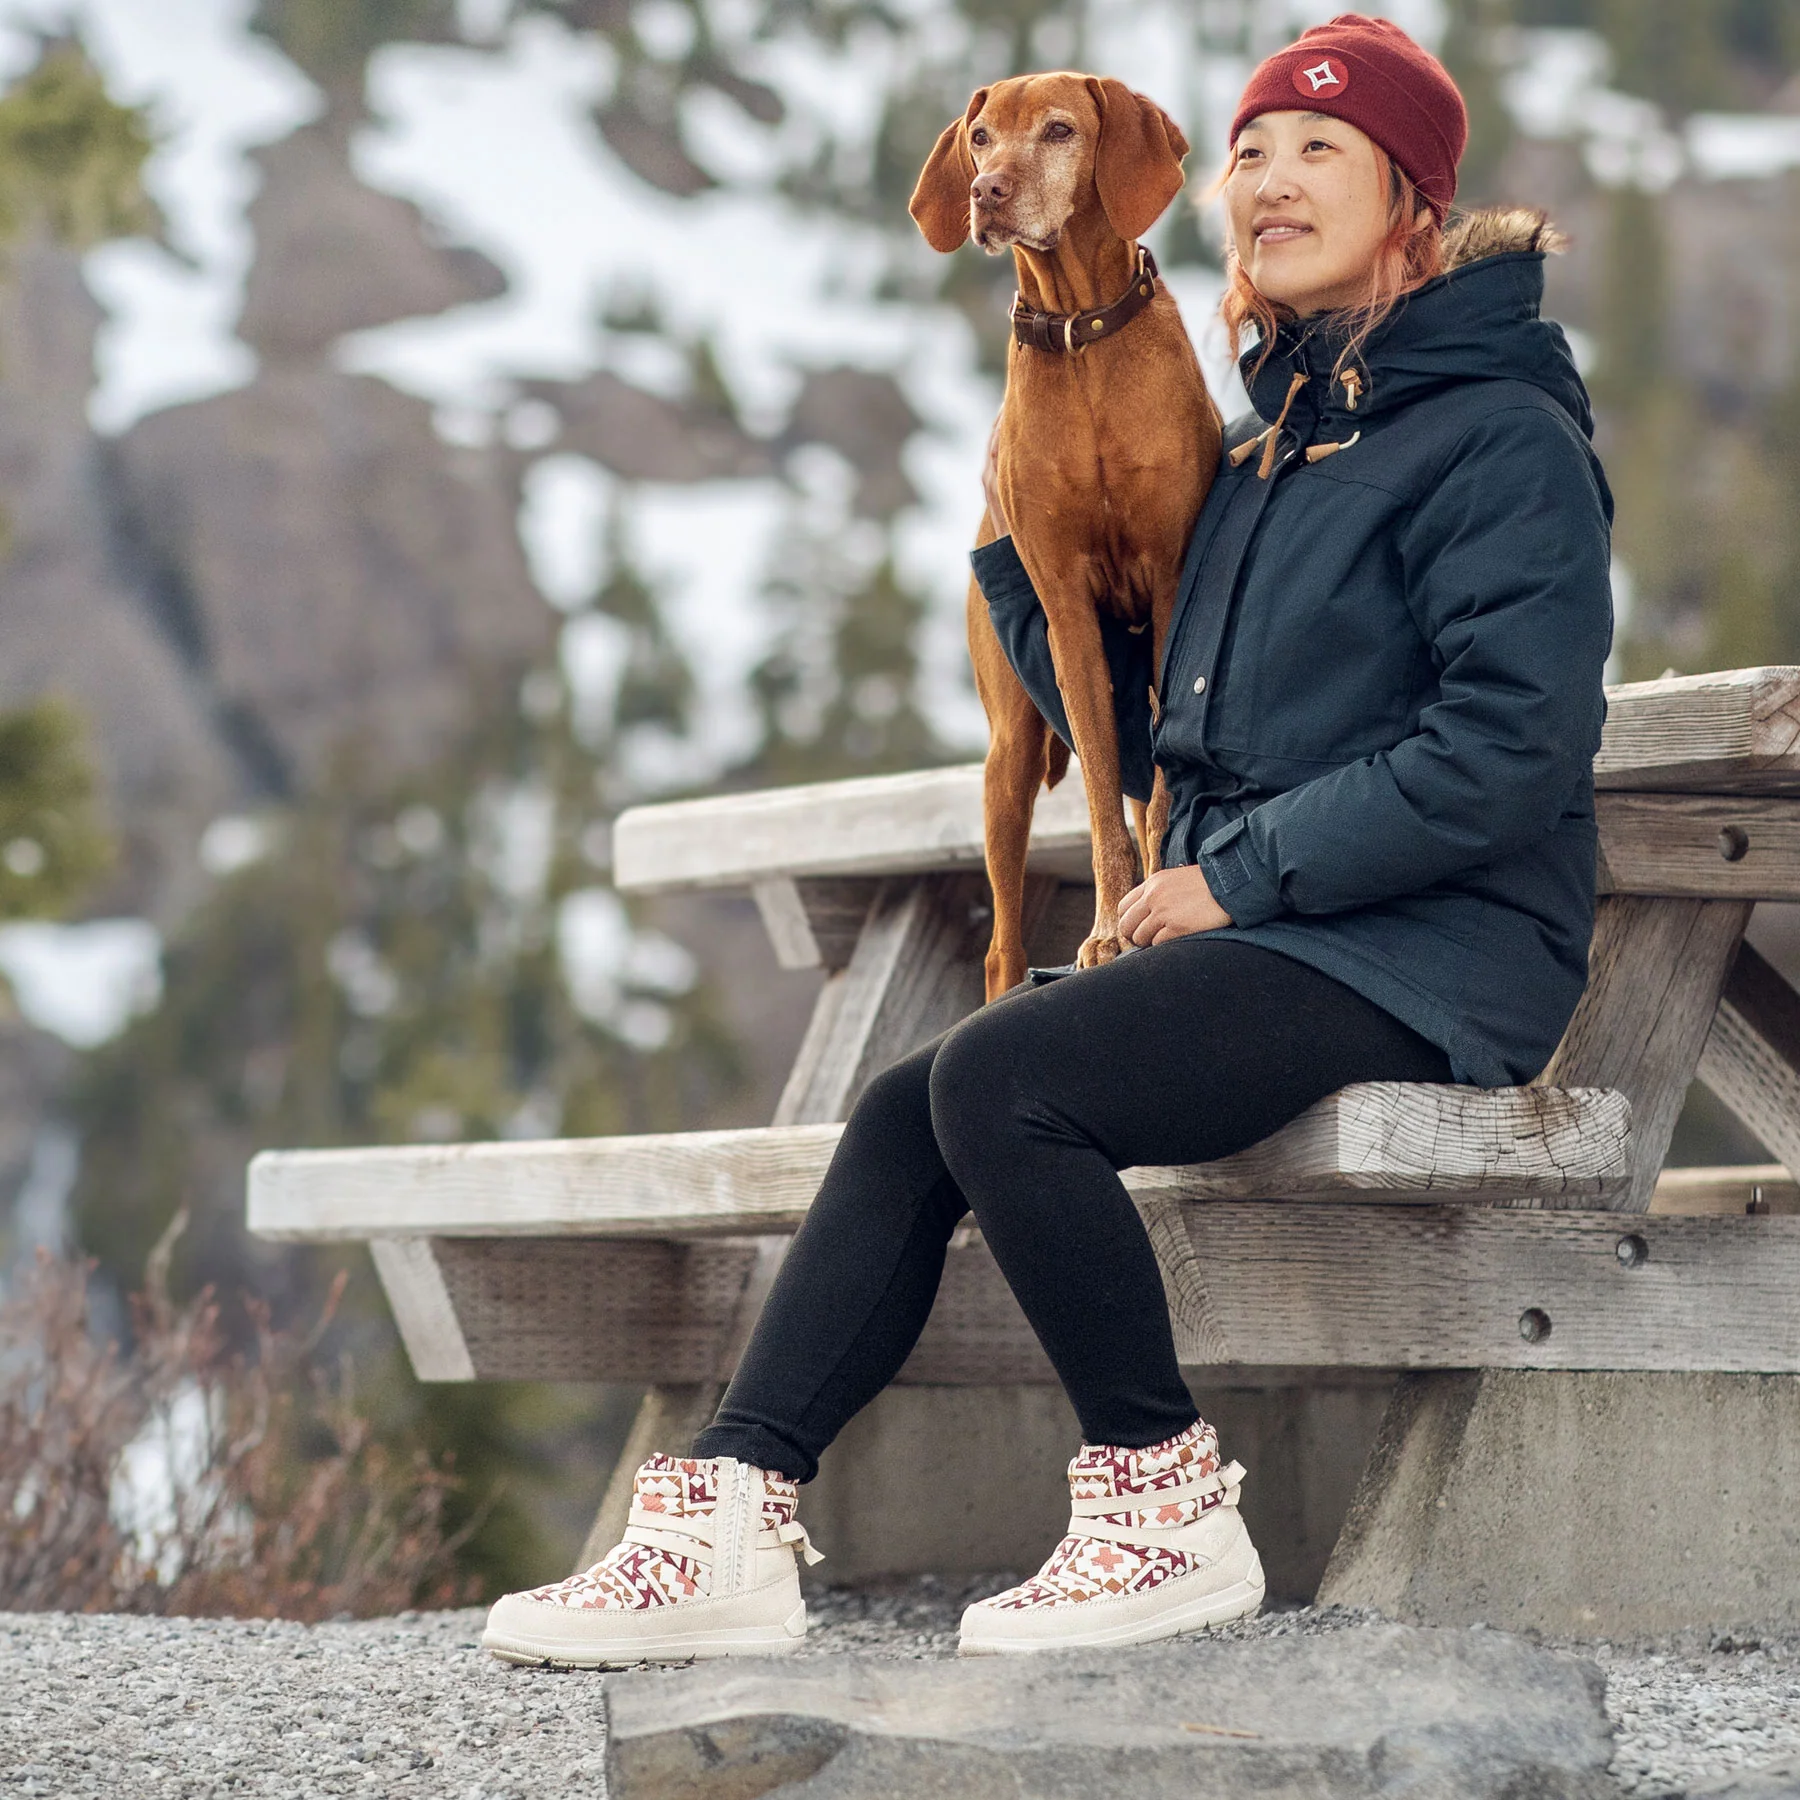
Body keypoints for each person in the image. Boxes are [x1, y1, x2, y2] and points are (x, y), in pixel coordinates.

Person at [482, 12, 1612, 1667]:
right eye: (1251, 153)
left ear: (1416, 206)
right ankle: (730, 1513)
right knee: (910, 1100)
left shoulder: (1496, 435)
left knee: (1010, 1080)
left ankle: (1160, 1505)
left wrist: (1231, 876)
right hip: (1301, 931)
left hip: (1434, 950)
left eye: (1323, 153)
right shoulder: (1277, 448)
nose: (1273, 181)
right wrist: (1022, 533)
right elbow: (1166, 705)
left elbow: (1510, 750)